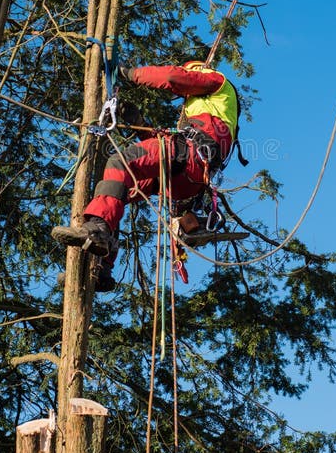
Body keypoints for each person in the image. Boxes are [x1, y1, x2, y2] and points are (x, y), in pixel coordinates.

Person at [51, 61, 242, 285]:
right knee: (118, 190)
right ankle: (101, 267)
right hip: (188, 177)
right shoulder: (211, 110)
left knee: (119, 162)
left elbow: (172, 77)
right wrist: (139, 123)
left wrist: (130, 73)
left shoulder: (217, 81)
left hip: (190, 157)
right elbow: (160, 155)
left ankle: (98, 230)